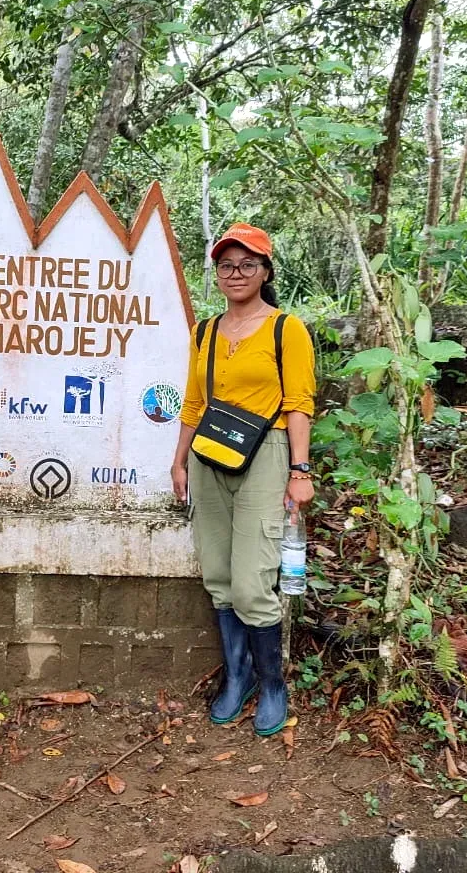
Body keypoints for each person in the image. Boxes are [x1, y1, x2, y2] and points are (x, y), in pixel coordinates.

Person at [171, 223, 315, 737]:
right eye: (227, 265)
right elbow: (193, 402)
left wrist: (300, 470)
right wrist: (179, 460)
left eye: (247, 264)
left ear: (265, 271)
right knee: (219, 575)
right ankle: (239, 678)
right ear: (217, 273)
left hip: (267, 452)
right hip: (211, 454)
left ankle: (274, 685)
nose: (236, 273)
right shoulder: (204, 332)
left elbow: (299, 402)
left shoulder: (285, 329)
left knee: (255, 579)